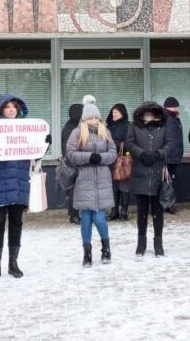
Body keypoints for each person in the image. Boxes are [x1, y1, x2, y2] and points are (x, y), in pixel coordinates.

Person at [0, 94, 51, 281]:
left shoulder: (27, 131)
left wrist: (45, 144)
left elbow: (35, 155)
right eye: (6, 106)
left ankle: (13, 263)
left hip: (18, 183)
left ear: (18, 110)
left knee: (17, 224)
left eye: (13, 106)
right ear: (0, 110)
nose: (10, 109)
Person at [65, 97, 118, 267]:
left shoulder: (105, 132)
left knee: (100, 217)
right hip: (84, 181)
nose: (93, 121)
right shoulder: (77, 133)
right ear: (84, 119)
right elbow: (71, 154)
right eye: (89, 118)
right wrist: (89, 157)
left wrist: (100, 158)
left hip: (102, 181)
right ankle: (87, 253)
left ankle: (106, 248)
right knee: (85, 219)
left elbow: (113, 153)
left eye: (95, 118)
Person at [125, 101, 171, 257]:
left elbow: (170, 144)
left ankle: (158, 243)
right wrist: (142, 154)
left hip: (158, 173)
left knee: (158, 211)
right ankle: (141, 243)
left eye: (152, 113)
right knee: (142, 211)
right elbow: (129, 143)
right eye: (147, 113)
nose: (149, 116)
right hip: (140, 172)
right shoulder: (134, 126)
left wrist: (159, 153)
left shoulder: (163, 126)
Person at [106, 103, 131, 221]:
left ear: (122, 113)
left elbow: (129, 144)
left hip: (123, 160)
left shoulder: (127, 126)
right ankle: (114, 211)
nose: (113, 114)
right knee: (113, 187)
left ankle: (124, 212)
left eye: (116, 112)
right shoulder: (108, 126)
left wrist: (112, 142)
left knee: (124, 185)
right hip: (111, 159)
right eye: (113, 112)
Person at [61, 103, 83, 225]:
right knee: (74, 190)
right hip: (73, 164)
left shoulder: (73, 125)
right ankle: (73, 215)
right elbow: (68, 149)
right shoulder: (71, 128)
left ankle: (75, 214)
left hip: (74, 162)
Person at [162, 96, 183, 215]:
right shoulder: (165, 119)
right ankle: (166, 204)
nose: (175, 108)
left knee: (169, 181)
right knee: (165, 181)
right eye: (174, 106)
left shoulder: (176, 119)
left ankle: (168, 203)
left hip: (174, 155)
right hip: (167, 156)